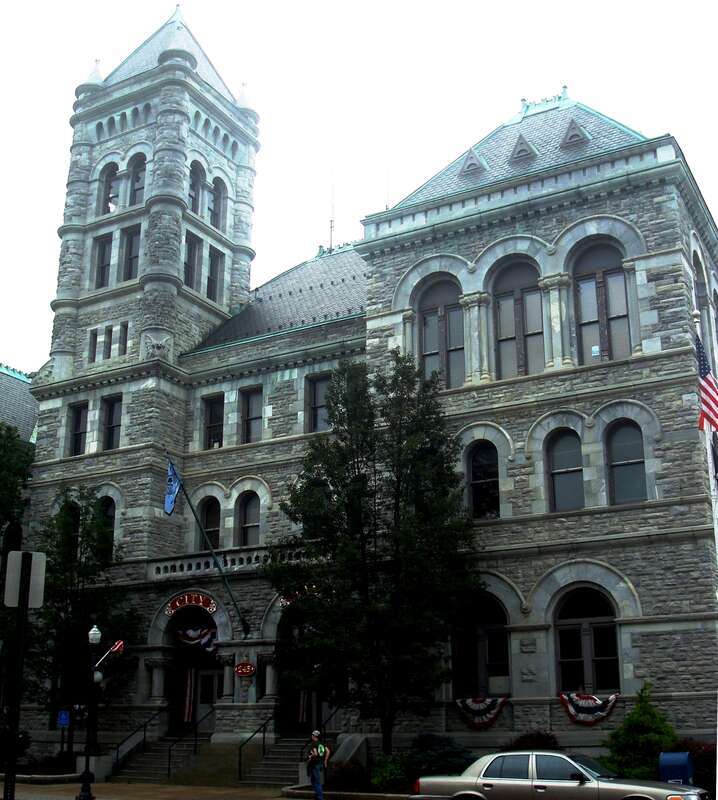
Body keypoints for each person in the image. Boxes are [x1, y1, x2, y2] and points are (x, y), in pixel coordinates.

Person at [306, 729, 330, 800]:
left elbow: (315, 753)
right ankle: (317, 795)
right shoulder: (321, 743)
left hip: (314, 764)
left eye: (312, 735)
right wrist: (325, 761)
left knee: (316, 781)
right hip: (320, 763)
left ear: (314, 736)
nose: (311, 736)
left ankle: (320, 797)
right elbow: (328, 751)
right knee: (313, 780)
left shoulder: (313, 743)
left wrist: (310, 756)